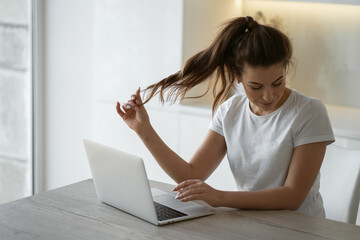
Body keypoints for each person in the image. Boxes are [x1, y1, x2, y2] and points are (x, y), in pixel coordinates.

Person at [115, 16, 335, 217]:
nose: (269, 95)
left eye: (278, 82)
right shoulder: (230, 111)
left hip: (301, 230)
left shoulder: (309, 112)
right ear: (237, 75)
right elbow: (191, 176)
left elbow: (292, 197)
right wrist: (145, 131)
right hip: (250, 223)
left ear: (286, 70)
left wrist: (220, 198)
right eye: (256, 86)